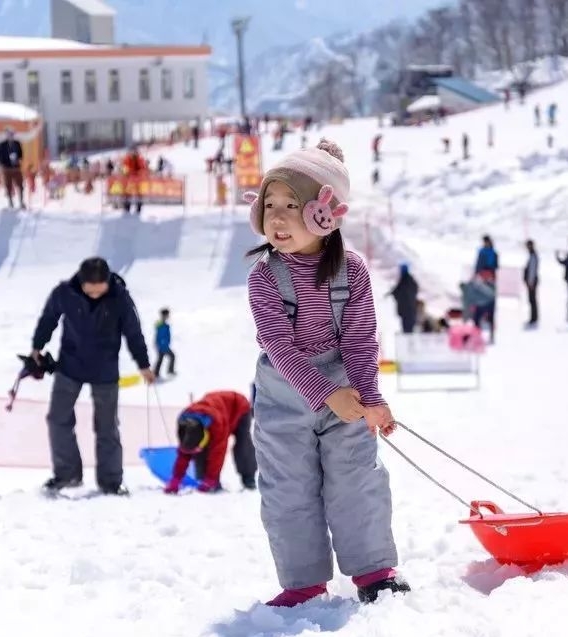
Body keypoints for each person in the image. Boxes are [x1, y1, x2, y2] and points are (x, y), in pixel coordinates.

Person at [244, 138, 411, 607]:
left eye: (292, 205)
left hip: (346, 396)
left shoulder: (352, 271)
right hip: (284, 397)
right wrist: (325, 393)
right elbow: (277, 344)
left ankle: (375, 571)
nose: (276, 217)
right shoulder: (263, 277)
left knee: (357, 478)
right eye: (270, 204)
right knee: (288, 488)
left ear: (325, 213)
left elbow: (360, 340)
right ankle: (303, 582)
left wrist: (370, 399)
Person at [30, 257, 154, 495]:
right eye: (90, 291)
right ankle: (67, 474)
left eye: (100, 291)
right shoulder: (65, 293)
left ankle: (111, 481)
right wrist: (37, 346)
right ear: (81, 283)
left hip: (105, 370)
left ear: (108, 282)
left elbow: (133, 331)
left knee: (107, 427)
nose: (95, 295)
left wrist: (144, 364)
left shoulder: (120, 298)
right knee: (57, 418)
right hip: (70, 365)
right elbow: (48, 319)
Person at [164, 391, 257, 493]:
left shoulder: (217, 424)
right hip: (216, 408)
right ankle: (206, 480)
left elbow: (218, 452)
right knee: (200, 451)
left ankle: (248, 478)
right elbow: (185, 451)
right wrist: (176, 478)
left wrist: (211, 478)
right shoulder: (184, 426)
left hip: (238, 406)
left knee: (243, 443)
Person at [0, 127, 25, 209]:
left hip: (16, 167)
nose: (11, 136)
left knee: (20, 185)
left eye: (12, 134)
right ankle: (10, 202)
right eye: (9, 134)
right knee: (8, 185)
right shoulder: (2, 145)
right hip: (7, 168)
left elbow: (21, 154)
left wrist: (18, 159)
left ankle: (21, 201)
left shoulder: (17, 143)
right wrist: (3, 163)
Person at [389, 263, 419, 334]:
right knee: (408, 326)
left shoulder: (404, 280)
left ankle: (408, 340)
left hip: (406, 308)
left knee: (407, 326)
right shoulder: (410, 280)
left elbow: (397, 291)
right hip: (410, 308)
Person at [153, 308, 176, 378]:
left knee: (160, 359)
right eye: (167, 314)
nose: (168, 316)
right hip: (163, 345)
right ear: (164, 315)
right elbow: (160, 337)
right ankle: (169, 371)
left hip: (163, 345)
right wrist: (163, 345)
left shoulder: (163, 324)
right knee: (172, 356)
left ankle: (156, 373)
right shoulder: (162, 325)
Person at [523, 239, 539, 326]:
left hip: (532, 281)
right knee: (532, 300)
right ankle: (534, 317)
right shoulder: (532, 255)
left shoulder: (533, 255)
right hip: (531, 281)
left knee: (532, 300)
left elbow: (532, 270)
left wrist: (530, 282)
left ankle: (534, 318)